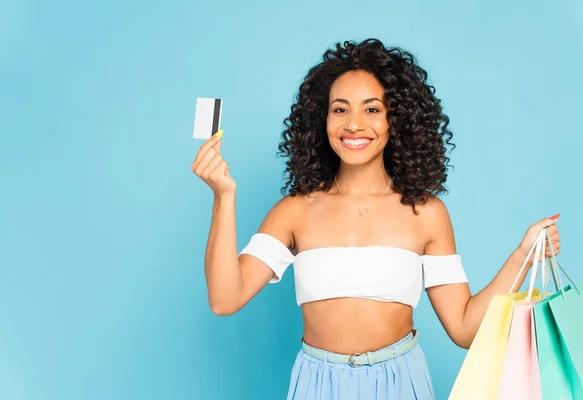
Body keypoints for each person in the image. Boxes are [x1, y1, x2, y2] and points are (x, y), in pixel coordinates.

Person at [191, 38, 561, 400]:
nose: (354, 125)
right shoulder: (294, 210)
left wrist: (521, 256)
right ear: (322, 120)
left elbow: (465, 329)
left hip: (402, 381)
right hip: (317, 383)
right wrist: (224, 196)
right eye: (340, 109)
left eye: (371, 109)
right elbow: (225, 299)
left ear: (395, 120)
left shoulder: (425, 213)